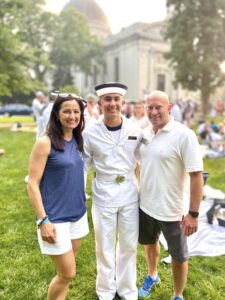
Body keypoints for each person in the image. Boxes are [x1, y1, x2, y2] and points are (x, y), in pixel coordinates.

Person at [138, 91, 203, 300]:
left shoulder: (184, 135)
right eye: (150, 107)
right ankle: (152, 275)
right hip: (146, 204)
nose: (154, 112)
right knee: (150, 242)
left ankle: (177, 294)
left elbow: (196, 176)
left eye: (159, 107)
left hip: (173, 209)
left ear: (169, 107)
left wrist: (193, 213)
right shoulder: (146, 133)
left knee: (179, 255)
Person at [83, 82, 142, 300]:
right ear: (100, 103)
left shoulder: (135, 129)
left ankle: (127, 290)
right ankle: (106, 290)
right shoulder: (90, 133)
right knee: (104, 245)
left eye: (117, 99)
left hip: (128, 191)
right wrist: (79, 195)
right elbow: (83, 166)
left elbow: (143, 161)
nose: (112, 104)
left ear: (123, 102)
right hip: (103, 191)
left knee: (128, 245)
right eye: (107, 99)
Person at [27, 93, 89, 300]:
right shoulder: (45, 143)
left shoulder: (78, 139)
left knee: (66, 275)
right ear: (56, 114)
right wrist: (42, 219)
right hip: (54, 218)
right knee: (67, 274)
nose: (72, 116)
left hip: (78, 215)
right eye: (66, 111)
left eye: (76, 112)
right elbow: (32, 184)